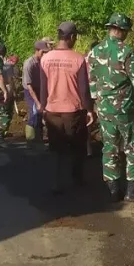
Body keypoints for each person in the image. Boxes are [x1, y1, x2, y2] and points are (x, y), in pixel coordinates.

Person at [87, 13, 134, 202]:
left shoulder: (94, 52)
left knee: (109, 147)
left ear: (110, 28)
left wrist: (96, 101)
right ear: (122, 31)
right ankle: (133, 189)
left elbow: (92, 83)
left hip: (103, 108)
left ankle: (113, 189)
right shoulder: (127, 52)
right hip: (125, 108)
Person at [39, 22, 95, 193]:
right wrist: (90, 109)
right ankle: (77, 179)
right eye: (75, 37)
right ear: (71, 37)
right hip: (73, 111)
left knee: (57, 149)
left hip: (52, 110)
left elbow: (43, 87)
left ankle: (57, 182)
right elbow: (84, 89)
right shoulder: (78, 59)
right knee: (77, 147)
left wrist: (43, 109)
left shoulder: (45, 59)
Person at [23, 40, 50, 145]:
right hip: (30, 91)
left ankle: (39, 138)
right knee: (34, 111)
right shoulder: (29, 64)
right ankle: (30, 140)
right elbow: (29, 86)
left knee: (41, 113)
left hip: (40, 89)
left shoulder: (42, 62)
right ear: (37, 51)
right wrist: (37, 102)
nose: (44, 54)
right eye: (43, 52)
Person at [0, 48, 18, 142]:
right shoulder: (8, 66)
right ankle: (0, 133)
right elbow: (10, 80)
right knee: (6, 113)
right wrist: (13, 92)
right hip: (6, 91)